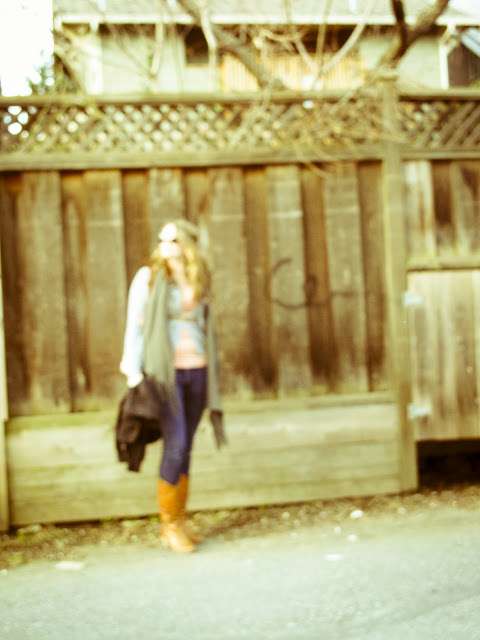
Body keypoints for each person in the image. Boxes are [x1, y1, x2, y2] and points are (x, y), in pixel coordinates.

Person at [120, 219, 225, 553]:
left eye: (173, 238)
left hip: (198, 369)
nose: (165, 243)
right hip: (165, 374)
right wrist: (132, 370)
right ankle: (169, 526)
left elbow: (205, 325)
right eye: (162, 238)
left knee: (187, 445)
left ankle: (180, 520)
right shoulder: (149, 278)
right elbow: (134, 326)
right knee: (176, 443)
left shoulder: (197, 277)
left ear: (187, 244)